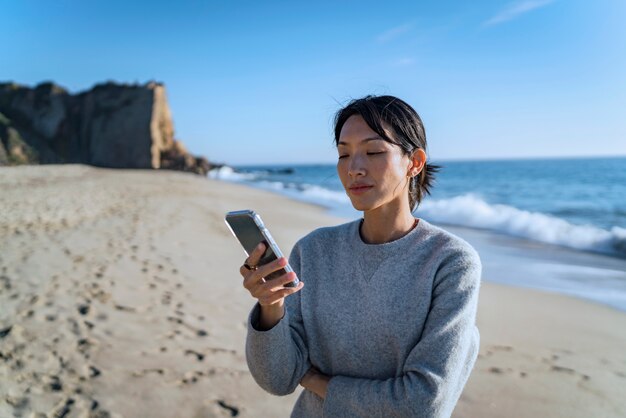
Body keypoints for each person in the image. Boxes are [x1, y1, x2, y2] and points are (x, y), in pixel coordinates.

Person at [239, 95, 481, 418]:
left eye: (373, 151)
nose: (354, 168)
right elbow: (278, 378)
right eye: (344, 154)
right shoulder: (312, 252)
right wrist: (271, 308)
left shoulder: (450, 263)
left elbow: (423, 402)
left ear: (415, 162)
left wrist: (319, 382)